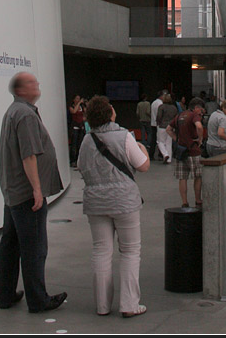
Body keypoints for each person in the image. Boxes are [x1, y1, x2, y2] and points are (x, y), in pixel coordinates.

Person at [0, 72, 67, 313]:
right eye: (32, 83)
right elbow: (28, 155)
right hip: (26, 194)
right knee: (34, 247)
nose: (37, 84)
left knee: (11, 244)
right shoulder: (25, 115)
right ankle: (38, 300)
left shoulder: (14, 111)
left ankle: (5, 294)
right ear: (20, 90)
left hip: (13, 191)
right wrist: (37, 190)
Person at [78, 95, 150, 318]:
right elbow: (143, 166)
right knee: (129, 251)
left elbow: (81, 167)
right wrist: (143, 149)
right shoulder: (124, 136)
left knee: (101, 251)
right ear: (110, 112)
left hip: (96, 203)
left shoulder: (86, 141)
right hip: (124, 202)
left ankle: (102, 306)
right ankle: (129, 304)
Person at [166, 98, 205, 208]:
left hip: (181, 151)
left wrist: (177, 139)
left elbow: (168, 129)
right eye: (200, 109)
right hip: (193, 151)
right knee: (198, 176)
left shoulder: (179, 115)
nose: (201, 112)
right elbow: (199, 126)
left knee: (182, 178)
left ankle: (184, 202)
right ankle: (198, 200)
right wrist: (200, 139)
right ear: (196, 107)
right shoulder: (194, 116)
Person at [155, 93, 178, 164]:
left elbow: (159, 116)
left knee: (160, 142)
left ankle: (165, 154)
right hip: (171, 127)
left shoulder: (161, 107)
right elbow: (176, 117)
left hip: (162, 126)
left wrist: (158, 123)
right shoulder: (174, 108)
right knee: (169, 143)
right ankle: (169, 159)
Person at [68, 95, 86, 167]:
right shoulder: (71, 107)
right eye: (77, 99)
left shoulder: (82, 107)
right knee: (74, 145)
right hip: (74, 127)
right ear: (74, 100)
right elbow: (74, 112)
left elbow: (85, 115)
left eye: (79, 99)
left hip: (81, 126)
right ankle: (73, 160)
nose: (78, 100)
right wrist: (79, 103)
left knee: (80, 144)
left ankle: (79, 161)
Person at [149, 90, 166, 160]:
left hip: (153, 123)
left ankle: (151, 154)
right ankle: (161, 154)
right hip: (159, 124)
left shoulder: (153, 103)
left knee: (153, 140)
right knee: (161, 140)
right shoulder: (161, 103)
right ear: (161, 96)